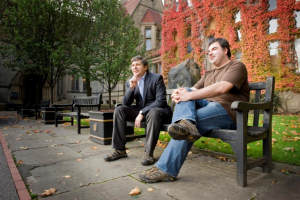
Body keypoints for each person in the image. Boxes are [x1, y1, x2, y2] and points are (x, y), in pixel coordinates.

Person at [139, 38, 250, 182]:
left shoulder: (236, 66)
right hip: (209, 109)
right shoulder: (209, 73)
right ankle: (186, 124)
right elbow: (191, 90)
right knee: (184, 120)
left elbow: (222, 87)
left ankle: (165, 169)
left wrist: (188, 94)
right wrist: (179, 93)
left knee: (184, 121)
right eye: (208, 51)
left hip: (228, 112)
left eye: (214, 49)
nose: (210, 53)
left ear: (225, 50)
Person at [104, 55, 172, 166]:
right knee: (119, 109)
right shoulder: (131, 81)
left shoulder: (156, 78)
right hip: (143, 112)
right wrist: (131, 88)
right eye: (133, 65)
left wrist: (142, 112)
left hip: (159, 112)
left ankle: (148, 154)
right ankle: (120, 150)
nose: (134, 67)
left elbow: (161, 101)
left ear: (145, 67)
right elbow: (126, 103)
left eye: (138, 65)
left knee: (153, 112)